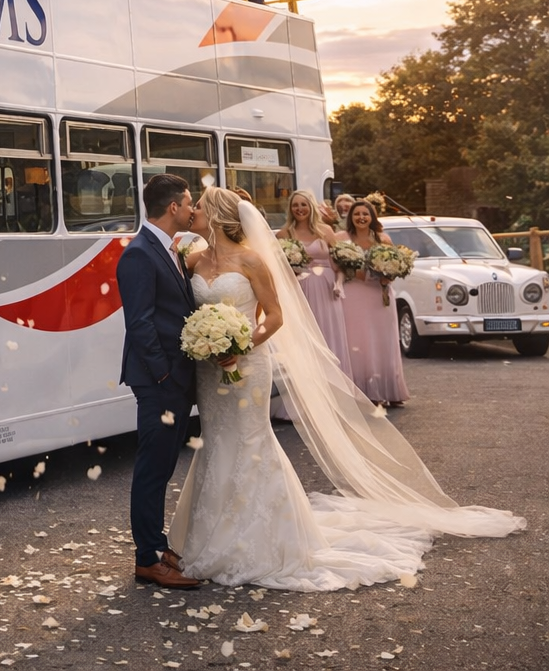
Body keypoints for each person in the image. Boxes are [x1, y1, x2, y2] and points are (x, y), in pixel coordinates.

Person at [172, 186, 523, 591]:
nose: (193, 210)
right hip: (209, 371)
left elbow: (275, 316)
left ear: (215, 214)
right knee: (216, 441)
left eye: (199, 205)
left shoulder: (252, 260)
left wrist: (241, 344)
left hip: (248, 366)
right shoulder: (193, 260)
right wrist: (208, 344)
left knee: (250, 442)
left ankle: (259, 541)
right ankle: (208, 535)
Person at [117, 174, 203, 590]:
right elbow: (140, 324)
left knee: (164, 464)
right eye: (189, 203)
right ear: (173, 208)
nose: (192, 210)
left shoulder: (168, 249)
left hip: (173, 379)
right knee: (152, 469)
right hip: (159, 382)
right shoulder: (138, 254)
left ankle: (157, 544)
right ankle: (147, 558)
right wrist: (165, 375)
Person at [336, 199, 410, 406]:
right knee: (358, 341)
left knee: (383, 340)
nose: (361, 217)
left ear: (372, 217)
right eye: (357, 214)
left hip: (380, 295)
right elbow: (338, 265)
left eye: (365, 214)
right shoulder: (343, 238)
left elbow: (397, 265)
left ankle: (389, 390)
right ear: (351, 217)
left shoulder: (383, 239)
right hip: (354, 295)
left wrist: (389, 277)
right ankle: (363, 392)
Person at [276, 189, 351, 380]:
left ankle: (334, 385)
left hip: (327, 288)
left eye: (303, 204)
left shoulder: (325, 231)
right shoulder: (284, 234)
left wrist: (339, 284)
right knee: (304, 338)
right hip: (299, 289)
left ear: (311, 206)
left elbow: (340, 263)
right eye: (295, 205)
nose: (299, 209)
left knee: (328, 334)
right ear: (290, 209)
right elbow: (278, 268)